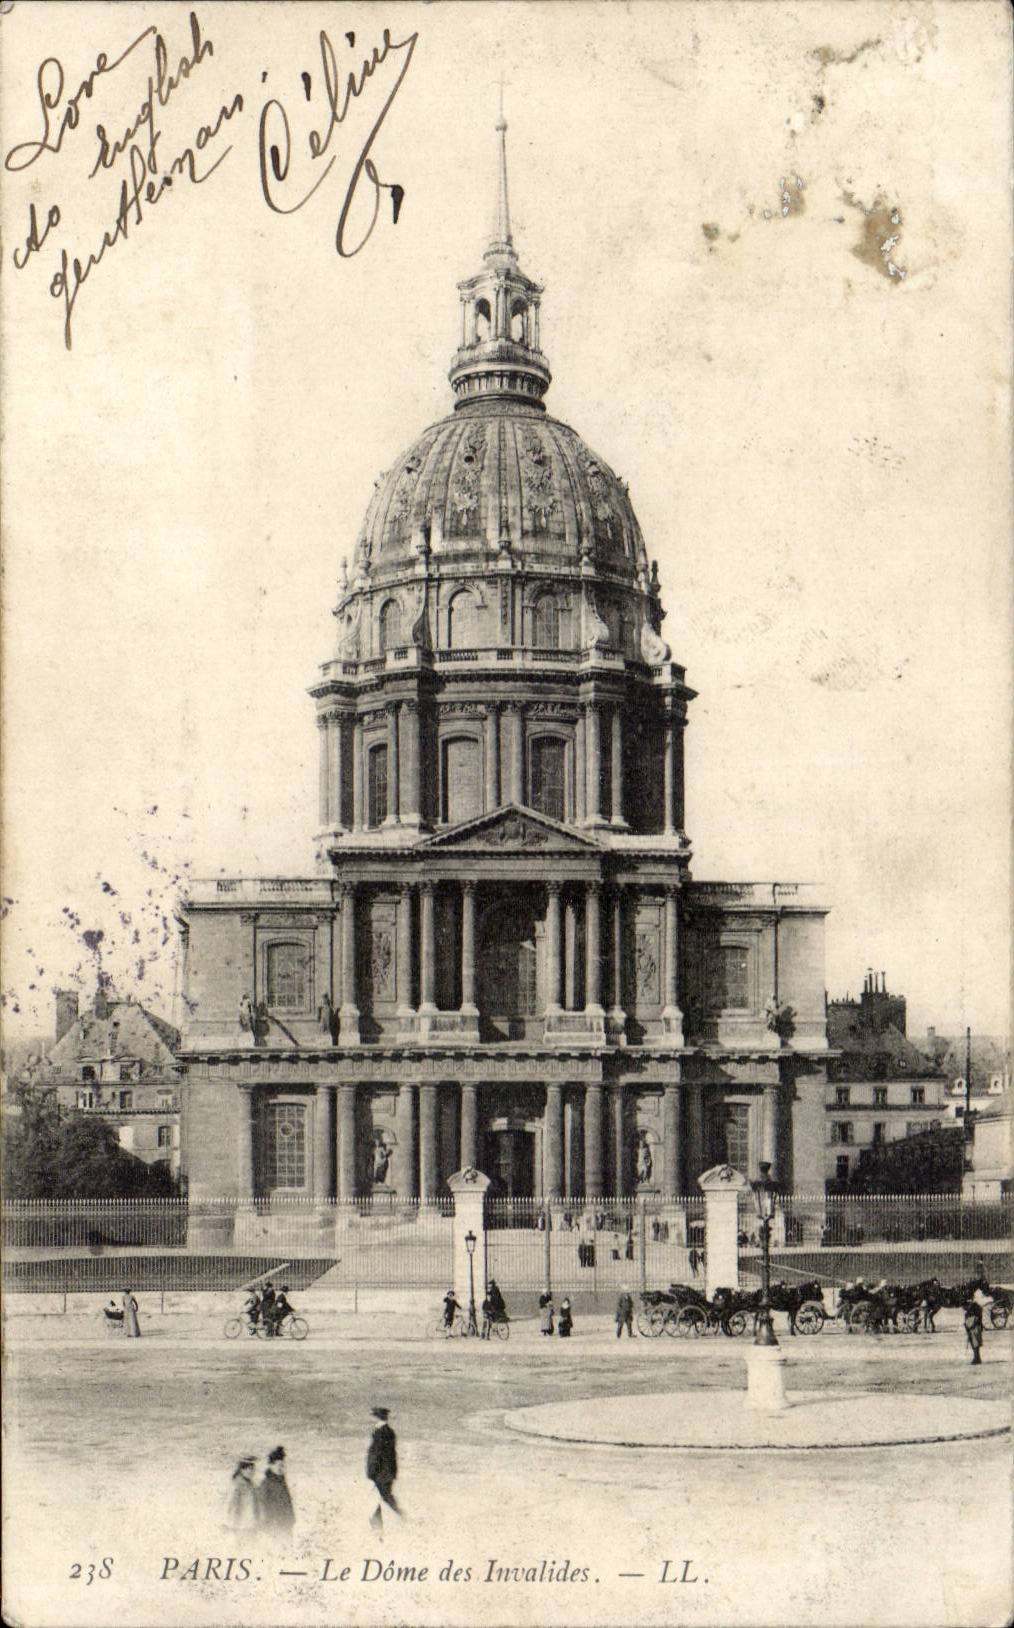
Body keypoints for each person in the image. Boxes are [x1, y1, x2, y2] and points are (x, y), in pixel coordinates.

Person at [366, 1407, 401, 1533]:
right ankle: (399, 1518)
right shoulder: (389, 1431)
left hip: (380, 1473)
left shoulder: (380, 1432)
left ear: (376, 1417)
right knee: (384, 1498)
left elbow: (376, 1454)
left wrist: (371, 1472)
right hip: (387, 1473)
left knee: (378, 1499)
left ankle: (378, 1527)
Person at [258, 1446, 295, 1532]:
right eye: (278, 1465)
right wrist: (267, 1526)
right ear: (271, 1465)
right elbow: (262, 1506)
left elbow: (288, 1502)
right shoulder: (266, 1483)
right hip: (273, 1527)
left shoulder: (282, 1482)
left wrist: (291, 1520)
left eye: (282, 1465)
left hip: (286, 1525)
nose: (280, 1468)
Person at [225, 1458, 260, 1530]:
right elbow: (231, 1505)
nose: (252, 1472)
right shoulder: (237, 1485)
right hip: (240, 1525)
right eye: (250, 1469)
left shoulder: (252, 1485)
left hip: (251, 1525)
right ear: (242, 1470)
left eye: (253, 1469)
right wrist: (230, 1524)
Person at [963, 1297, 984, 1365]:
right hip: (973, 1326)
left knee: (975, 1343)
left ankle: (977, 1358)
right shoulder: (976, 1307)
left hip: (974, 1327)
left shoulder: (973, 1308)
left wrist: (969, 1325)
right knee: (975, 1343)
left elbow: (975, 1318)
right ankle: (977, 1357)